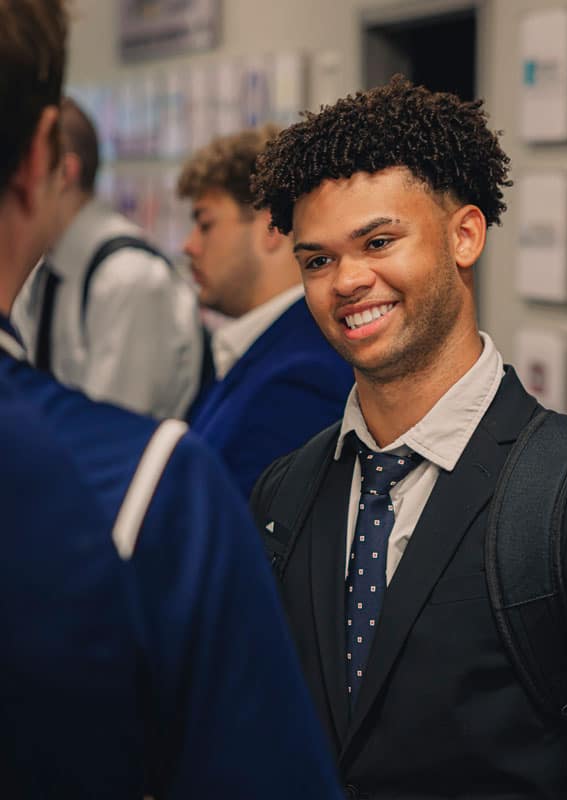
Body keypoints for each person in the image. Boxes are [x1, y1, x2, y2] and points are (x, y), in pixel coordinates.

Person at [250, 77, 567, 799]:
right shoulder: (286, 489)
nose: (347, 280)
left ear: (464, 235)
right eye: (317, 260)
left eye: (378, 241)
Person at [0, 2, 341, 797]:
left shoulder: (294, 374)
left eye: (205, 222)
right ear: (43, 152)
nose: (185, 243)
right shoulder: (138, 489)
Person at [177, 126, 352, 497]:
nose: (189, 246)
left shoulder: (303, 375)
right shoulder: (267, 351)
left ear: (271, 226)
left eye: (205, 224)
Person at [11, 95, 204, 419]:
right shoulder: (47, 270)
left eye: (16, 168)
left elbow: (111, 436)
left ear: (64, 173)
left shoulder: (129, 278)